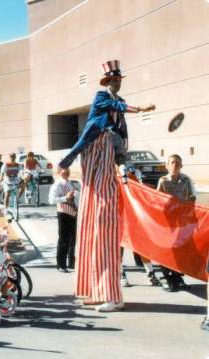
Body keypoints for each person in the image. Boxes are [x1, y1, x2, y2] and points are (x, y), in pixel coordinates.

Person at [59, 60, 156, 312]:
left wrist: (125, 167)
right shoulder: (101, 98)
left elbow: (121, 145)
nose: (116, 83)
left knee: (104, 228)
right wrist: (138, 108)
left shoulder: (116, 123)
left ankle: (112, 294)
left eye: (118, 80)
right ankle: (95, 290)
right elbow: (115, 105)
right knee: (90, 228)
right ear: (106, 83)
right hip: (92, 170)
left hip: (104, 175)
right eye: (112, 80)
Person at [156, 154, 196, 292]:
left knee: (180, 249)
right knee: (167, 249)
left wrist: (188, 208)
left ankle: (178, 277)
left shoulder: (186, 180)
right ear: (167, 165)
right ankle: (167, 277)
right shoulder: (163, 181)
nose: (174, 165)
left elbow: (192, 197)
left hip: (181, 220)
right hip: (167, 221)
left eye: (177, 163)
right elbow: (157, 200)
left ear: (181, 165)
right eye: (171, 163)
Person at [48, 167, 78, 272]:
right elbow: (51, 200)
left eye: (67, 169)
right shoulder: (57, 185)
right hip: (63, 213)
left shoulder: (70, 183)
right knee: (63, 240)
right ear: (59, 172)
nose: (66, 172)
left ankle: (71, 263)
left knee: (72, 239)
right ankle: (61, 264)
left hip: (73, 213)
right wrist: (66, 198)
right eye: (63, 170)